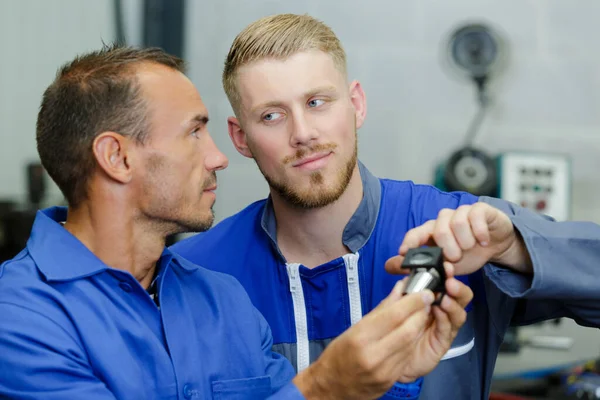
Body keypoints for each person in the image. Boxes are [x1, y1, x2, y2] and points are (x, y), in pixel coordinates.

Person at [0, 44, 474, 400]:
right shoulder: (20, 318)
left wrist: (385, 376)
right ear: (117, 157)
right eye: (193, 132)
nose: (219, 158)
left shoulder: (222, 299)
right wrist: (327, 384)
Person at [170, 13, 600, 400]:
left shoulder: (459, 233)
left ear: (355, 104)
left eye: (317, 102)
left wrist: (516, 248)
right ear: (240, 137)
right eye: (271, 116)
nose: (302, 132)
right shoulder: (190, 275)